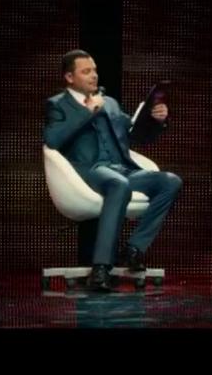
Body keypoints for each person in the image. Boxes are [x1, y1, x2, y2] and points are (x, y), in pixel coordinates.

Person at [44, 49, 182, 291]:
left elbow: (136, 136)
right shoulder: (58, 104)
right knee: (119, 184)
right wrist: (88, 111)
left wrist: (155, 120)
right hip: (87, 171)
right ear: (69, 77)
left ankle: (134, 249)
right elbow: (52, 140)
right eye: (86, 71)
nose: (94, 76)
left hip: (122, 169)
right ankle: (101, 268)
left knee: (170, 181)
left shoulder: (109, 103)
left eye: (95, 70)